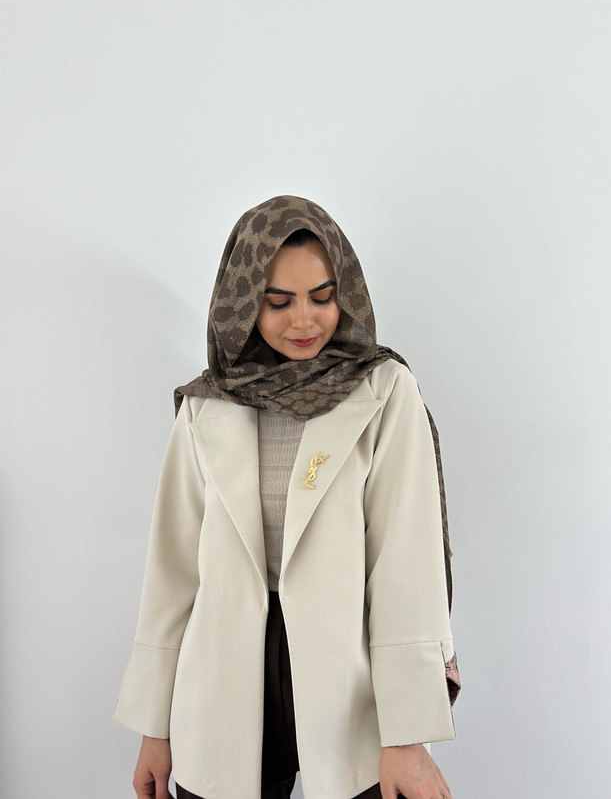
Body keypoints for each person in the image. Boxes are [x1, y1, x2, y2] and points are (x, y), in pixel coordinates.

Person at [113, 195, 461, 799]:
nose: (304, 320)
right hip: (220, 683)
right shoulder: (207, 403)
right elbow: (173, 573)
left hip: (350, 684)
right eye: (278, 302)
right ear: (244, 301)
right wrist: (154, 728)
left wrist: (407, 736)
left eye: (322, 297)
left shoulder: (384, 391)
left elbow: (406, 568)